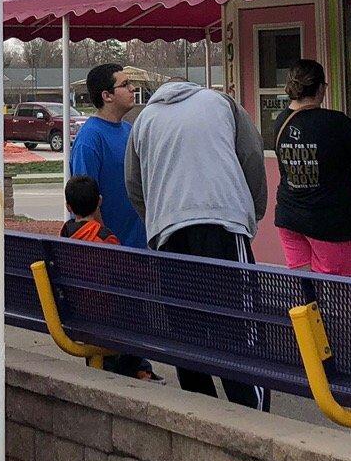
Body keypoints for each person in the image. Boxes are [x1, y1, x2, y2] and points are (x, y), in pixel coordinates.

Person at [125, 80, 269, 410]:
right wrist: (252, 212)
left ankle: (202, 409)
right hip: (223, 223)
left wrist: (158, 219)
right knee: (239, 324)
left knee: (185, 327)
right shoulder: (223, 104)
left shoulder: (144, 119)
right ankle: (252, 413)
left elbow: (134, 184)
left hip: (168, 231)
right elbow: (251, 156)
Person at [272, 59, 351, 277]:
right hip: (332, 221)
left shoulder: (280, 122)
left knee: (308, 292)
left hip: (290, 216)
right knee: (343, 296)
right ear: (319, 88)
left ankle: (310, 313)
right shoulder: (335, 122)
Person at [59, 174, 155, 380]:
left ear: (68, 207)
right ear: (100, 201)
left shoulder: (64, 238)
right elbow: (130, 272)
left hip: (76, 314)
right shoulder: (104, 238)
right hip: (106, 316)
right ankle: (136, 367)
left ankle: (123, 366)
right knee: (136, 314)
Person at [70, 63, 147, 249]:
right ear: (107, 96)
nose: (132, 88)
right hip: (111, 251)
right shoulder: (89, 139)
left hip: (140, 247)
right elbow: (86, 204)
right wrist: (106, 245)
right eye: (125, 84)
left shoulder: (129, 131)